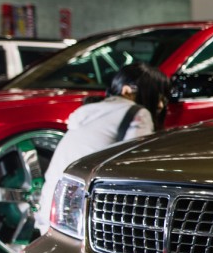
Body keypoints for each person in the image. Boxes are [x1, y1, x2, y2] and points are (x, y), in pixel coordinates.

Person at [35, 63, 171, 232]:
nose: (160, 105)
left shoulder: (88, 112)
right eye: (157, 96)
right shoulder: (137, 113)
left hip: (52, 213)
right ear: (127, 91)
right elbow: (136, 172)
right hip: (85, 220)